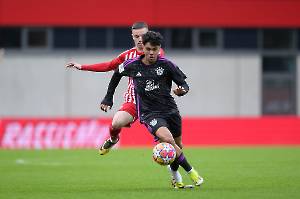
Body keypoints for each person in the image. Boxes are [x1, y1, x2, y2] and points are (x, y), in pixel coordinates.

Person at [66, 22, 185, 188]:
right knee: (116, 122)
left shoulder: (157, 54)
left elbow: (170, 73)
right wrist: (83, 67)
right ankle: (114, 139)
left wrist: (179, 88)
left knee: (171, 146)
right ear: (132, 37)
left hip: (155, 105)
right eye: (136, 37)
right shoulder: (127, 56)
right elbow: (109, 66)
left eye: (142, 36)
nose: (140, 40)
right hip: (133, 101)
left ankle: (175, 177)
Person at [111, 31, 204, 187]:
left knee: (177, 146)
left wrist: (182, 91)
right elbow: (116, 74)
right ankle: (191, 172)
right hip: (149, 113)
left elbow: (184, 85)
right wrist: (108, 97)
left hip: (170, 111)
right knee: (168, 140)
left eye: (155, 49)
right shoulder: (132, 65)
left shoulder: (167, 65)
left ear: (159, 48)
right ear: (143, 49)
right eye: (148, 49)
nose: (151, 52)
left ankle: (176, 178)